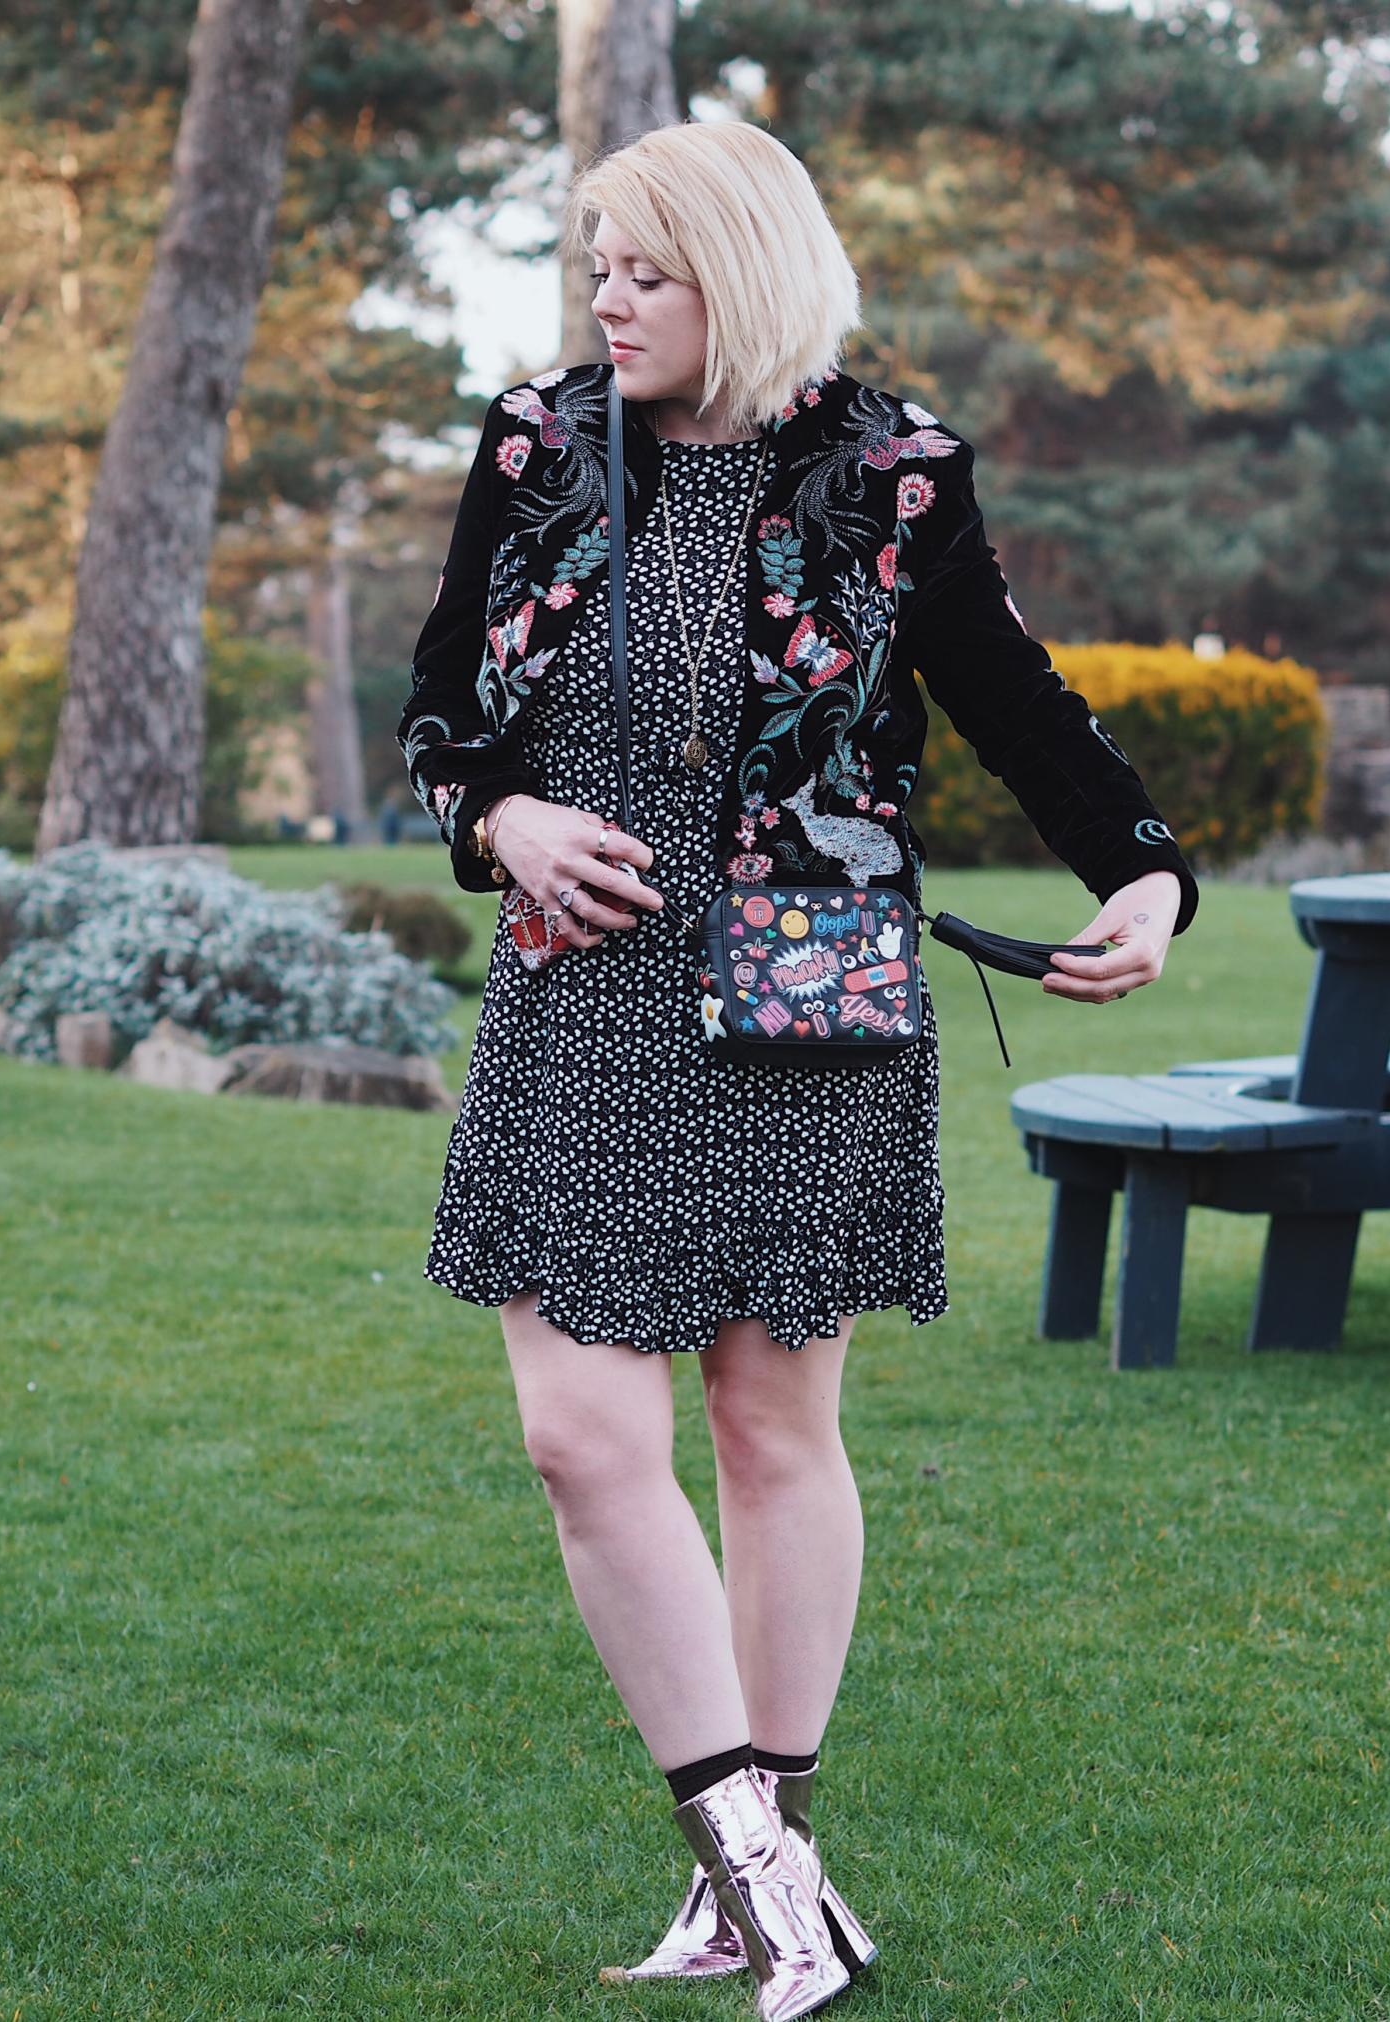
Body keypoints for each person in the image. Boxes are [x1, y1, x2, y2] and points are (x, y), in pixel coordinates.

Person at [396, 119, 1200, 2020]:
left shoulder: (890, 472)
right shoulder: (532, 446)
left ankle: (753, 1875)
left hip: (805, 1007)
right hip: (583, 999)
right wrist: (503, 817)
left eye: (647, 271)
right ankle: (768, 1879)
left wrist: (1147, 872)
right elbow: (440, 705)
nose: (609, 300)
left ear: (742, 272)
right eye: (599, 266)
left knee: (770, 1431)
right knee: (581, 1435)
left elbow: (1017, 700)